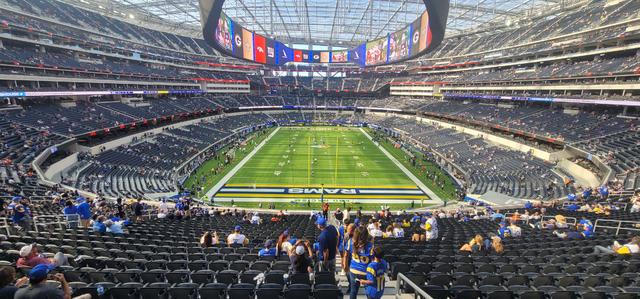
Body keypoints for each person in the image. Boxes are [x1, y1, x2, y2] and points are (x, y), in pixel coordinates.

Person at [345, 226, 374, 299]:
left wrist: (345, 266)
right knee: (369, 292)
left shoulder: (350, 242)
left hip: (354, 271)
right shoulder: (370, 246)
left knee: (353, 291)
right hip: (366, 272)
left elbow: (346, 255)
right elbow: (373, 260)